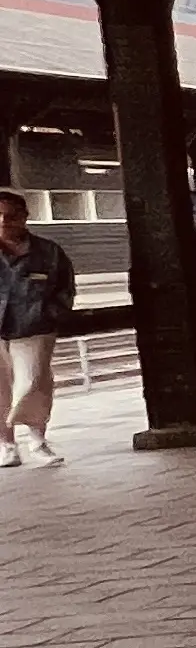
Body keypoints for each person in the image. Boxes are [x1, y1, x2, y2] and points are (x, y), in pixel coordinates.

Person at [0, 188, 73, 469]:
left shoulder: (48, 253)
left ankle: (37, 440)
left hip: (34, 327)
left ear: (25, 217)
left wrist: (50, 314)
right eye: (0, 216)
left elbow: (64, 288)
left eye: (11, 216)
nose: (5, 222)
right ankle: (7, 445)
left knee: (34, 381)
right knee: (0, 389)